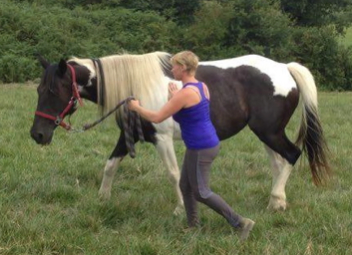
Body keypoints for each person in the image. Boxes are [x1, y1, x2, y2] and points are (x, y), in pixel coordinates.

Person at [128, 50, 255, 241]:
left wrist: (136, 107)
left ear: (184, 68)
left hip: (200, 146)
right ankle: (193, 225)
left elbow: (157, 117)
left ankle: (240, 222)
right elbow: (186, 112)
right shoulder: (201, 86)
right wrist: (174, 97)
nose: (171, 69)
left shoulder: (185, 93)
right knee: (185, 185)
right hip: (205, 142)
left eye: (174, 66)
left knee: (201, 192)